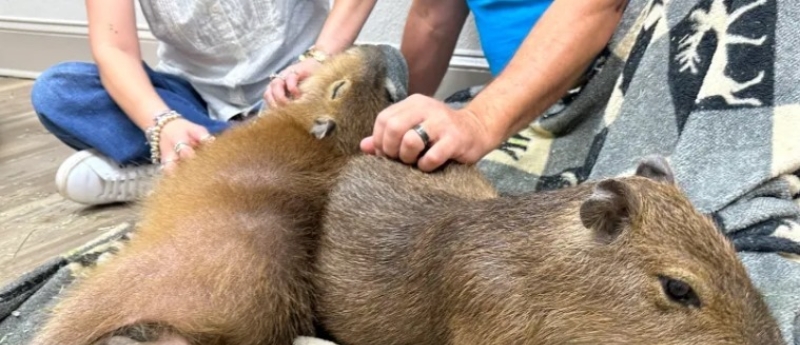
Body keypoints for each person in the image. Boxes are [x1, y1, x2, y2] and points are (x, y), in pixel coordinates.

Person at [31, 0, 377, 205]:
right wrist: (162, 122)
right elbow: (113, 49)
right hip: (194, 102)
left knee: (376, 73)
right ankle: (251, 161)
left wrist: (320, 56)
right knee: (59, 91)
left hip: (301, 87)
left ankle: (179, 171)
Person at [363, 0, 627, 172]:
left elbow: (600, 6)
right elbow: (432, 18)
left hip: (615, 85)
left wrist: (480, 121)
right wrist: (395, 126)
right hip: (516, 106)